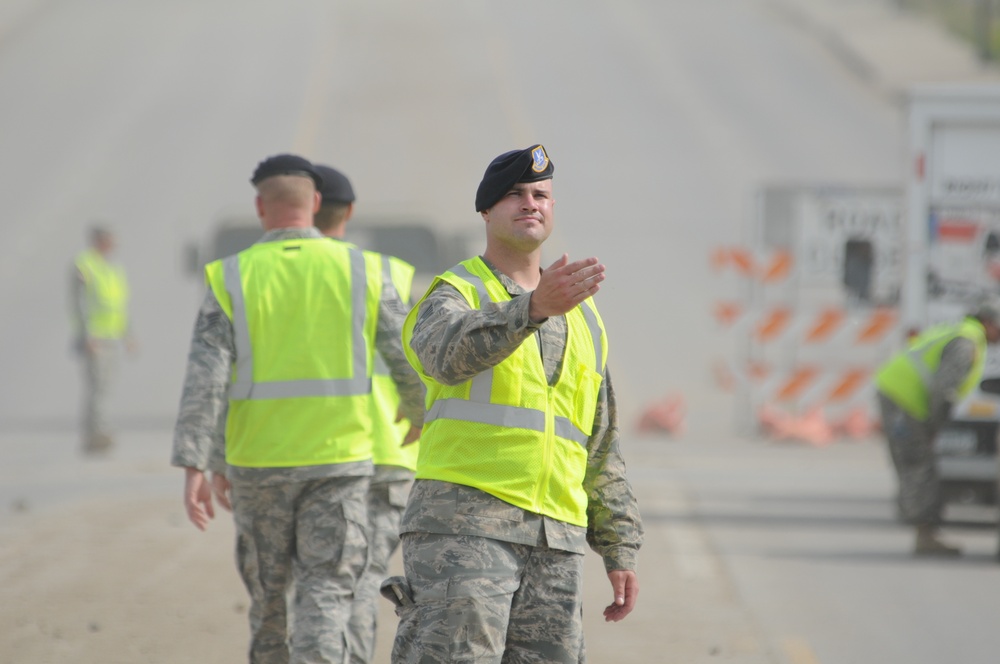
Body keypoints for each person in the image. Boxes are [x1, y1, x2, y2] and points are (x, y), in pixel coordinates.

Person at [385, 144, 644, 663]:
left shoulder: (584, 318)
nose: (531, 203)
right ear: (486, 211)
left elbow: (599, 443)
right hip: (465, 529)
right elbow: (443, 356)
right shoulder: (454, 292)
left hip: (556, 542)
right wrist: (530, 309)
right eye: (515, 195)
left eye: (541, 195)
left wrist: (618, 546)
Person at [170, 154, 425, 664]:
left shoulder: (230, 277)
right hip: (339, 464)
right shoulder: (363, 270)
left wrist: (199, 462)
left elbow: (206, 380)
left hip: (257, 467)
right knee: (327, 593)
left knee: (268, 599)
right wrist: (418, 410)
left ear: (260, 206)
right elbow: (407, 352)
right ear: (314, 202)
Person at [311, 163, 421, 664]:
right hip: (391, 449)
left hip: (324, 451)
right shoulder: (387, 272)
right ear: (348, 213)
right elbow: (417, 359)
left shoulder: (276, 276)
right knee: (363, 577)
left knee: (323, 583)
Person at [874, 300, 1000, 556]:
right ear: (988, 323)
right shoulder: (968, 342)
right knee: (919, 464)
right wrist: (934, 427)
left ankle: (922, 528)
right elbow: (943, 390)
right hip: (903, 400)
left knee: (916, 462)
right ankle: (924, 534)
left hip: (899, 396)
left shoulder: (959, 331)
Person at [70, 225, 134, 455]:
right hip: (95, 338)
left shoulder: (112, 267)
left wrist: (128, 335)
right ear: (99, 241)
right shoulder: (85, 264)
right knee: (96, 387)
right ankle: (94, 433)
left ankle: (99, 430)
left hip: (112, 336)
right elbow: (79, 303)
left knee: (105, 386)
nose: (113, 245)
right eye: (110, 240)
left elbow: (120, 306)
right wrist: (86, 335)